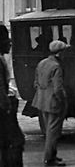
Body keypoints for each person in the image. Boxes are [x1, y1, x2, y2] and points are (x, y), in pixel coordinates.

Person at [32, 40, 70, 167]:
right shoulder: (56, 66)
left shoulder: (42, 63)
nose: (66, 54)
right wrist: (63, 101)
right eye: (64, 51)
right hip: (53, 103)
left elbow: (35, 83)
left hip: (42, 102)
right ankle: (49, 160)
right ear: (59, 54)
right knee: (53, 132)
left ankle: (52, 155)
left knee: (50, 130)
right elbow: (58, 88)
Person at [0, 24, 25, 167]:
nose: (9, 42)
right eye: (5, 39)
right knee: (15, 142)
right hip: (4, 113)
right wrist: (8, 105)